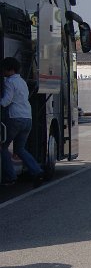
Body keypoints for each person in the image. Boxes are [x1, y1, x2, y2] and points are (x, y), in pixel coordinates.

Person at [1, 57, 45, 187]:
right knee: (20, 149)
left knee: (3, 147)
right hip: (27, 118)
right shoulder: (21, 81)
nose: (2, 71)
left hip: (15, 118)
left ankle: (10, 177)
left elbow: (6, 101)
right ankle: (37, 171)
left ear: (10, 69)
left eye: (3, 69)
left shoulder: (9, 82)